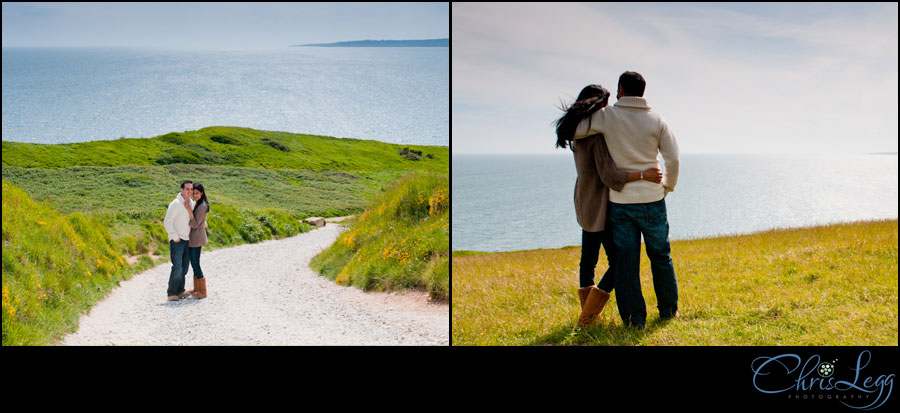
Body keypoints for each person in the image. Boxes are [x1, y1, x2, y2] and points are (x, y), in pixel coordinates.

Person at [573, 71, 681, 330]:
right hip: (653, 199)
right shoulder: (657, 119)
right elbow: (673, 160)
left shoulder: (606, 117)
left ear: (620, 89)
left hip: (620, 202)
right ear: (643, 91)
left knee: (627, 262)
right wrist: (667, 186)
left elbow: (575, 130)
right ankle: (668, 311)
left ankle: (635, 320)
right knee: (661, 257)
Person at [555, 84, 662, 327]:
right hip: (602, 204)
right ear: (598, 106)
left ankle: (588, 317)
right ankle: (588, 316)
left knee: (588, 261)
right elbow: (609, 174)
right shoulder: (595, 136)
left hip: (584, 199)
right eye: (605, 105)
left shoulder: (579, 133)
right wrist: (643, 175)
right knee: (621, 261)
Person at [163, 180, 195, 301]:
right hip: (177, 240)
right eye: (187, 189)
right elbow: (167, 221)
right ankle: (171, 293)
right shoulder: (176, 203)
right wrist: (174, 235)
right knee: (177, 267)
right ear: (181, 190)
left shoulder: (191, 203)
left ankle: (180, 291)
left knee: (185, 267)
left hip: (187, 240)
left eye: (191, 189)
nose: (189, 191)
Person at [185, 183, 209, 299]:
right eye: (194, 193)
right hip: (194, 238)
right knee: (194, 262)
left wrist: (189, 212)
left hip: (197, 238)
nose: (195, 195)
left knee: (195, 263)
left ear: (202, 193)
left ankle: (203, 291)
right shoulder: (198, 203)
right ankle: (197, 289)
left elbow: (194, 224)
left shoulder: (202, 206)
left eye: (197, 193)